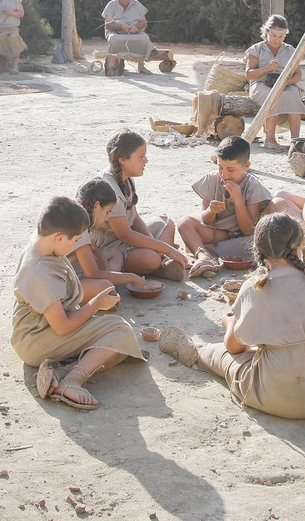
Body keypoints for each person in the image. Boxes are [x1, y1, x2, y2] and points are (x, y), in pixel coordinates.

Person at [157, 214, 305, 419]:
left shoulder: (255, 287)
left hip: (284, 399)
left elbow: (235, 347)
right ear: (299, 245)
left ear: (258, 251)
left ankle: (197, 351)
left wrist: (230, 323)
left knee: (225, 355)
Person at [12, 195, 143, 411]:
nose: (76, 245)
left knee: (120, 342)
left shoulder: (41, 241)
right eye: (75, 240)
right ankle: (73, 380)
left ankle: (59, 372)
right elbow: (62, 327)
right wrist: (95, 304)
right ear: (60, 238)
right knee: (121, 332)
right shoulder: (39, 273)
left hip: (37, 330)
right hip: (35, 340)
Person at [85, 130, 190, 281]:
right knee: (151, 258)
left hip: (128, 240)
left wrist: (155, 245)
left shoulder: (125, 178)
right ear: (123, 160)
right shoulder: (108, 188)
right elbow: (125, 234)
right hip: (110, 248)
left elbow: (134, 218)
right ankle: (157, 266)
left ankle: (160, 264)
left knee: (166, 223)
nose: (146, 161)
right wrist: (164, 248)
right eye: (141, 157)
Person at [177, 136, 273, 277]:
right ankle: (204, 258)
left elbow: (248, 230)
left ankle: (212, 252)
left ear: (246, 166)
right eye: (220, 167)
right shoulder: (212, 179)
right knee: (184, 222)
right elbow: (206, 220)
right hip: (217, 233)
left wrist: (238, 200)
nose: (224, 174)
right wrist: (211, 210)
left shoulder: (253, 186)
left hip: (241, 237)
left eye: (231, 170)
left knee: (258, 243)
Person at [69, 179, 156, 296]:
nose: (106, 218)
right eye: (107, 212)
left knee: (115, 254)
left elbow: (96, 252)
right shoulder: (79, 229)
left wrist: (107, 275)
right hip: (63, 283)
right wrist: (133, 278)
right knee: (105, 287)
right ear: (97, 206)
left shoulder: (86, 223)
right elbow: (93, 274)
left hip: (78, 271)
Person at [245, 15, 305, 152]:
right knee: (272, 96)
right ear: (266, 32)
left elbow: (298, 75)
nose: (276, 39)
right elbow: (249, 74)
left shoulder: (290, 50)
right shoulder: (256, 49)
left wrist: (287, 83)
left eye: (280, 36)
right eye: (273, 35)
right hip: (261, 84)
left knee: (293, 94)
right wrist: (267, 68)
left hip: (285, 84)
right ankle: (269, 138)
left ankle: (295, 140)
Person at [101, 0, 152, 74]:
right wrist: (120, 27)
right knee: (113, 39)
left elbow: (144, 22)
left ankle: (141, 66)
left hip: (134, 33)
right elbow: (108, 25)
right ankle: (115, 62)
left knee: (145, 38)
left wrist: (136, 27)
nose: (125, 0)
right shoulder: (111, 5)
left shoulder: (136, 4)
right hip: (116, 33)